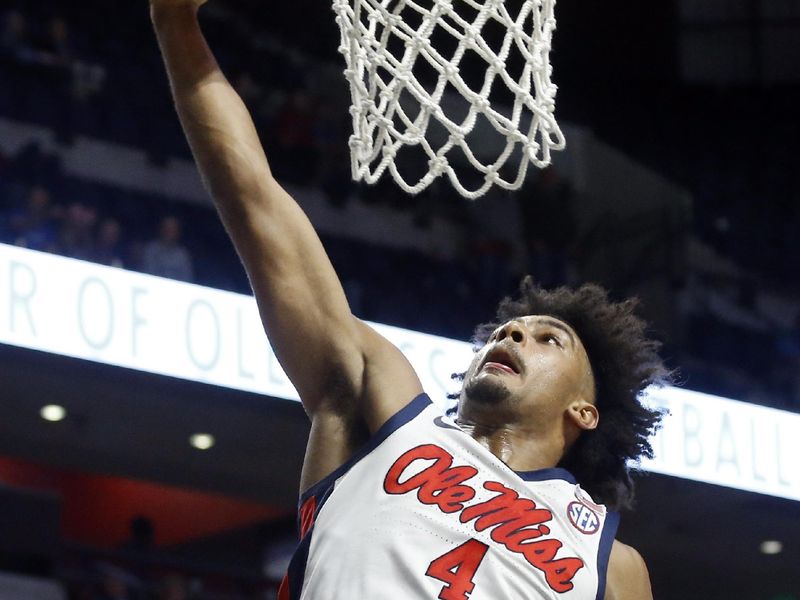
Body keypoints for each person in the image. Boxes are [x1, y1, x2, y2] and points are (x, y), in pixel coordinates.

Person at [150, 1, 667, 598]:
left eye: (549, 338)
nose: (512, 336)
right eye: (508, 331)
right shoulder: (384, 413)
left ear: (584, 409)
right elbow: (255, 201)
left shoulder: (610, 563)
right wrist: (175, 25)